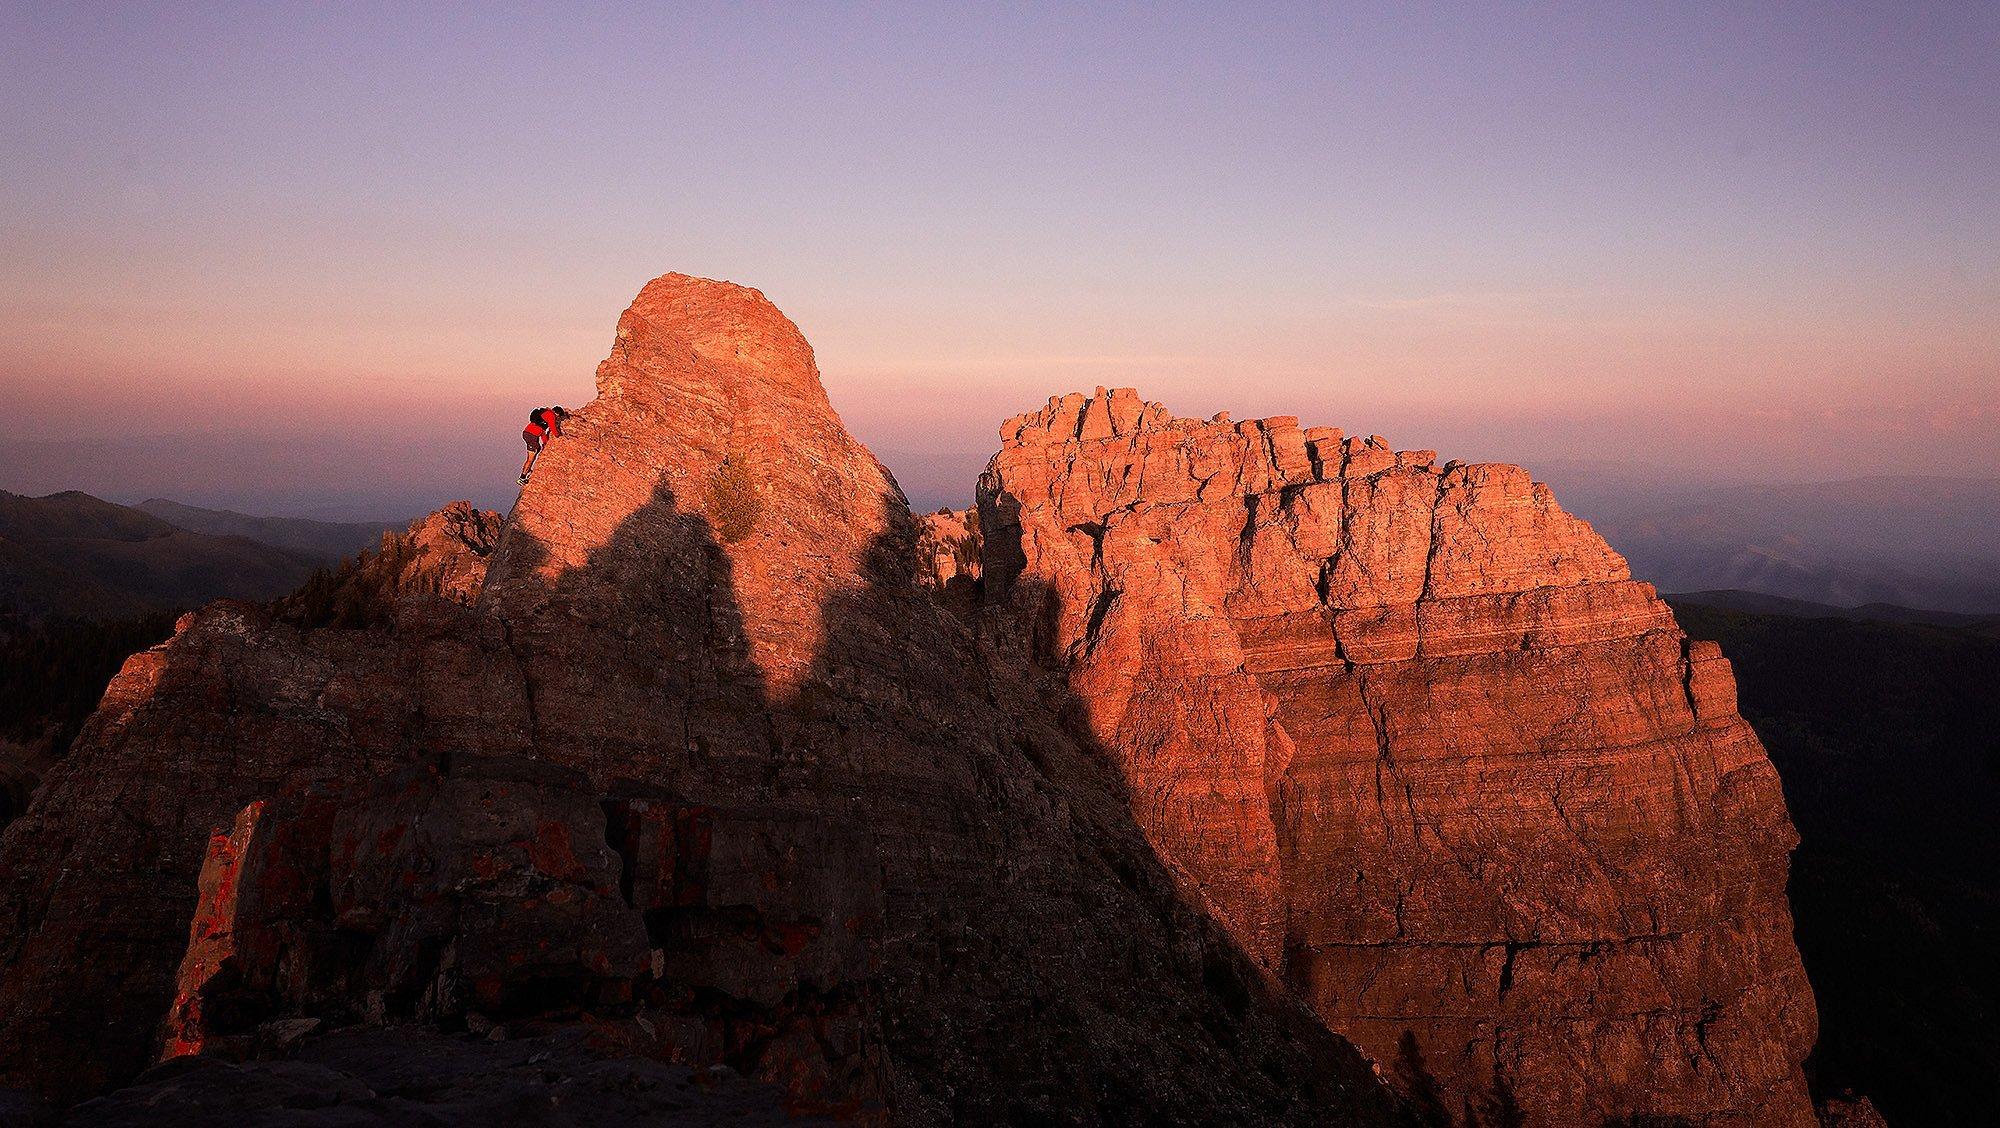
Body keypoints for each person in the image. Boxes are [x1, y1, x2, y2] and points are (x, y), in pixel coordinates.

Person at [519, 406, 569, 483]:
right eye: (558, 416)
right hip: (531, 435)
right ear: (557, 413)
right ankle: (522, 478)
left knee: (536, 450)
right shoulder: (551, 415)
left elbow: (542, 432)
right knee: (531, 458)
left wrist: (545, 443)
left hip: (528, 433)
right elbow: (553, 428)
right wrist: (559, 435)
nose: (557, 418)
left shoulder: (544, 414)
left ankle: (527, 471)